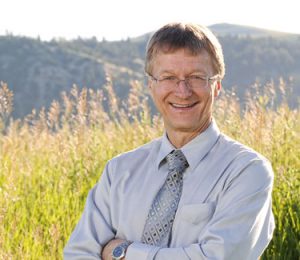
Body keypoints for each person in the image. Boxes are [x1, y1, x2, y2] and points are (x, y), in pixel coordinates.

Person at [64, 22, 275, 260]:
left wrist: (123, 252)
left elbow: (216, 258)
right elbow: (79, 254)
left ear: (216, 86)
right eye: (168, 77)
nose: (182, 91)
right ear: (151, 85)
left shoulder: (247, 171)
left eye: (196, 77)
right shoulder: (119, 171)